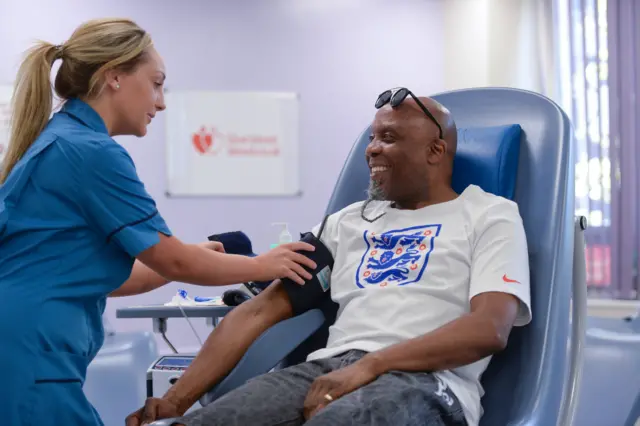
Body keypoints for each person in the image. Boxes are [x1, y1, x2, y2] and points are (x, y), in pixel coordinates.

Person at [127, 90, 532, 426]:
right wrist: (175, 401)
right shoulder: (346, 223)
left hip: (428, 380)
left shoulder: (489, 214)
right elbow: (257, 313)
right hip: (329, 369)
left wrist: (371, 365)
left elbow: (488, 329)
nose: (371, 150)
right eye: (372, 138)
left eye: (388, 138)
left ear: (435, 150)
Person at [0, 18, 317, 426]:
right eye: (156, 83)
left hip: (26, 343)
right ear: (113, 76)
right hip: (30, 351)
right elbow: (177, 262)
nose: (162, 101)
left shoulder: (62, 141)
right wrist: (263, 265)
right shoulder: (89, 152)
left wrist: (187, 260)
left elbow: (108, 275)